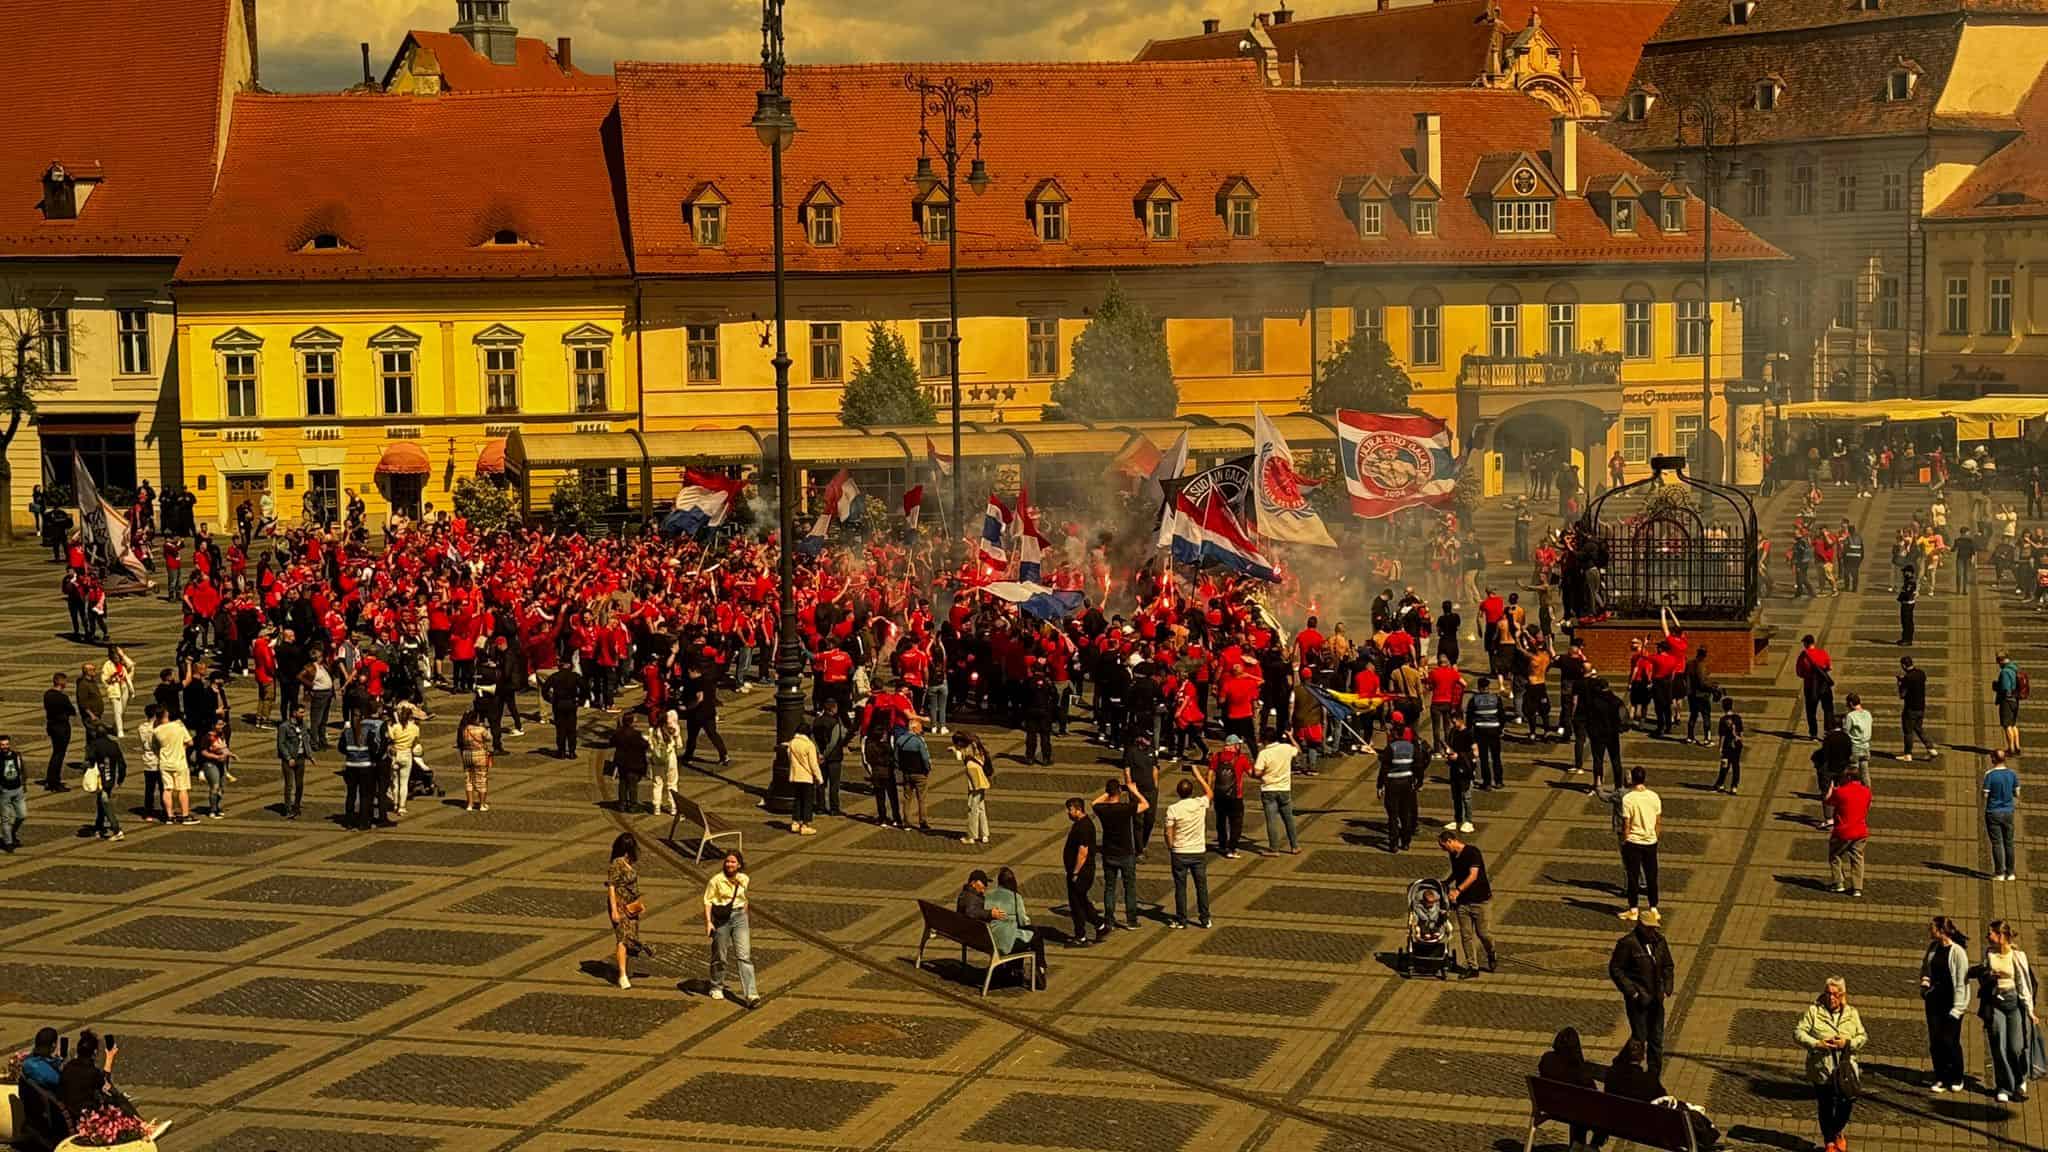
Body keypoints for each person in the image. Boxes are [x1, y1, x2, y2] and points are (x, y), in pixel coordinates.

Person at [1795, 976, 1868, 1151]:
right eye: (1828, 993)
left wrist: (1847, 1043)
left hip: (1845, 1070)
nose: (1831, 997)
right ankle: (1829, 1141)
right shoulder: (1813, 1012)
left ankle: (1837, 1131)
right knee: (1826, 1105)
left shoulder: (1852, 1013)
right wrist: (1817, 1044)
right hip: (1822, 1069)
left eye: (1835, 994)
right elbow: (1798, 1033)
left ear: (1842, 995)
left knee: (1846, 1103)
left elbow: (1863, 1037)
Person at [1975, 918, 2038, 1102]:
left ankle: (2020, 1079)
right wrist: (1988, 975)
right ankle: (2003, 1086)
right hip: (1996, 1004)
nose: (1988, 936)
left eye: (1991, 933)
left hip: (2014, 1005)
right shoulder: (1989, 953)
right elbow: (1984, 975)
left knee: (2015, 1047)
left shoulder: (2018, 956)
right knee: (1998, 1046)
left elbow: (2023, 984)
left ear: (2001, 935)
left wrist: (2030, 1010)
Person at [1610, 908, 1675, 1080]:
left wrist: (1667, 986)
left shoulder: (1660, 942)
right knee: (1640, 1036)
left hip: (1656, 998)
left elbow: (1668, 965)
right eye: (1650, 928)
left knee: (1656, 1039)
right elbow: (1616, 969)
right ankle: (1623, 1065)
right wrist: (1632, 992)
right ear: (1641, 926)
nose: (1653, 931)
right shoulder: (1627, 944)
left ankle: (1653, 1075)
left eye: (1655, 927)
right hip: (1639, 1000)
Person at [704, 851, 759, 1008]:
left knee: (744, 956)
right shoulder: (716, 880)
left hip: (739, 917)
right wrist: (709, 922)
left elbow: (744, 899)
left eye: (733, 862)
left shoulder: (744, 879)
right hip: (722, 919)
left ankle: (751, 994)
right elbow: (707, 901)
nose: (729, 864)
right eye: (728, 861)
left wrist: (745, 918)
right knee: (720, 955)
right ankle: (716, 985)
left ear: (739, 865)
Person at [1921, 916, 1970, 1094]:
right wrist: (1925, 984)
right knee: (1935, 1041)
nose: (1930, 932)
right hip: (1934, 1001)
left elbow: (1961, 982)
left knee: (1950, 1041)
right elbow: (1925, 968)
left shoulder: (1957, 952)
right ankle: (1941, 1076)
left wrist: (1958, 1008)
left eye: (1932, 928)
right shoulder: (1933, 948)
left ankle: (1957, 1076)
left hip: (1952, 1004)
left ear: (1941, 931)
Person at [1536, 1028, 1605, 1151]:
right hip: (1572, 1110)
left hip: (1551, 1106)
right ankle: (1591, 1145)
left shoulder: (1547, 1060)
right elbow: (1594, 1096)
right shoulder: (1580, 1072)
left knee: (1578, 1105)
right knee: (1587, 1107)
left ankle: (1577, 1144)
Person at [1439, 829, 1496, 975]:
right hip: (1463, 903)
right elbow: (1457, 872)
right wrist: (1447, 882)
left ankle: (1491, 952)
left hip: (1480, 901)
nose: (1443, 850)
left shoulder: (1472, 852)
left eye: (1444, 846)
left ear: (1450, 841)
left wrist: (1457, 890)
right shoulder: (1453, 855)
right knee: (1466, 935)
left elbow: (1473, 875)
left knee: (1483, 934)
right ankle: (1473, 967)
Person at [1093, 773, 1146, 930]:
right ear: (1120, 793)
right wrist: (1134, 791)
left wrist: (1108, 793)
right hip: (1126, 853)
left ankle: (1109, 919)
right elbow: (1145, 804)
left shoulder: (1102, 809)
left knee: (1110, 887)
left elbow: (1094, 802)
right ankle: (1131, 920)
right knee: (1129, 886)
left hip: (1109, 853)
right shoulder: (1125, 808)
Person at [1165, 767, 1214, 929]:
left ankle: (1181, 919)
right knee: (1201, 886)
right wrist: (1199, 776)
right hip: (1198, 851)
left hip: (1180, 852)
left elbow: (1168, 831)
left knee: (1180, 887)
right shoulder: (1200, 803)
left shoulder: (1173, 808)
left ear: (1178, 792)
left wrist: (1171, 846)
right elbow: (1209, 793)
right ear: (1191, 791)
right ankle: (1205, 918)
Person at [985, 867, 1048, 990]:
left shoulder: (988, 895)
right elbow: (1023, 921)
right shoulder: (1015, 897)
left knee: (1025, 935)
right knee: (1035, 935)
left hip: (988, 939)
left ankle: (1015, 970)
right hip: (1005, 944)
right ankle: (1040, 967)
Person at [606, 831, 651, 989]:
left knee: (631, 937)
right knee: (622, 939)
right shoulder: (617, 864)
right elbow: (611, 886)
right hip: (619, 906)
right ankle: (622, 975)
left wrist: (638, 902)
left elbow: (632, 886)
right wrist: (614, 911)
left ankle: (625, 968)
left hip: (631, 906)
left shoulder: (628, 862)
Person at [1377, 721, 1429, 852]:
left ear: (1395, 733)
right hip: (1407, 784)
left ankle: (1393, 844)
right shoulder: (1411, 747)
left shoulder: (1391, 748)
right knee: (1405, 814)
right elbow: (1418, 765)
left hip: (1393, 785)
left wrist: (1379, 786)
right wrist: (1419, 782)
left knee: (1393, 816)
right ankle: (1406, 842)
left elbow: (1384, 769)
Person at [1619, 767, 1661, 921]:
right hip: (1650, 841)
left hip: (1634, 842)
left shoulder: (1628, 799)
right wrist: (1655, 836)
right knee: (1651, 876)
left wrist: (1625, 840)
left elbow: (1626, 824)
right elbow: (1658, 821)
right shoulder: (1654, 796)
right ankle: (1654, 908)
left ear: (1633, 780)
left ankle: (1633, 909)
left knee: (1633, 877)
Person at [1062, 796, 1103, 945]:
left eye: (1070, 809)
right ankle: (1100, 925)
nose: (1068, 812)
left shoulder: (1083, 827)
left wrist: (1075, 872)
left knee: (1077, 904)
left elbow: (1083, 851)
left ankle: (1081, 935)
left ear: (1078, 809)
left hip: (1081, 873)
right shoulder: (1081, 824)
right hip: (1081, 872)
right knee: (1081, 901)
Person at [1826, 764, 1871, 898]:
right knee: (1857, 858)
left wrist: (1831, 789)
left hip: (1843, 831)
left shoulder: (1841, 792)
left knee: (1834, 856)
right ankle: (1857, 888)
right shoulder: (1866, 791)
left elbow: (1828, 802)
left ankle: (1838, 883)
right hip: (1861, 830)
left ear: (1849, 777)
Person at [1252, 730, 1300, 854]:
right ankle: (1295, 846)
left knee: (1272, 821)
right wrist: (1290, 736)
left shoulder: (1264, 753)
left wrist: (1261, 775)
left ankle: (1274, 848)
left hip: (1269, 789)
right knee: (1289, 819)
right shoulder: (1286, 748)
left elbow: (1257, 772)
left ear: (1265, 740)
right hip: (1284, 789)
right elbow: (1298, 750)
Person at [1209, 734, 1252, 858]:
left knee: (1220, 820)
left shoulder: (1217, 756)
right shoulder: (1241, 758)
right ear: (1236, 746)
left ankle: (1222, 845)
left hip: (1219, 795)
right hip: (1235, 796)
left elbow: (1211, 772)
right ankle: (1232, 849)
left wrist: (1209, 788)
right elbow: (1251, 773)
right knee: (1236, 822)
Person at [1985, 749, 2020, 882]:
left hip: (1993, 812)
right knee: (2009, 843)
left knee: (1997, 843)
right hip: (2008, 811)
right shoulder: (2012, 774)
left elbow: (1985, 794)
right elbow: (2017, 793)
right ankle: (2010, 873)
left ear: (1993, 759)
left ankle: (1999, 873)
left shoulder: (1990, 775)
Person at [274, 703, 313, 820]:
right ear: (294, 713)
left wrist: (310, 755)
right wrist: (288, 757)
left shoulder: (303, 725)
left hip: (301, 758)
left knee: (300, 784)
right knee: (289, 785)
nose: (303, 715)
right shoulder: (284, 726)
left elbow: (306, 740)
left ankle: (296, 806)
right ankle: (288, 809)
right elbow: (281, 744)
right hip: (289, 759)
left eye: (304, 712)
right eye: (301, 712)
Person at [954, 730, 994, 845]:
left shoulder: (970, 748)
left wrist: (955, 751)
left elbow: (961, 756)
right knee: (981, 807)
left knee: (972, 808)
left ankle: (971, 836)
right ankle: (985, 834)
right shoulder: (977, 746)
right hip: (981, 780)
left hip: (975, 781)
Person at [1898, 655, 1936, 761]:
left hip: (1910, 709)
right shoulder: (1921, 673)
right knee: (1919, 728)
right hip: (1921, 707)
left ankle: (1907, 754)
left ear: (1904, 665)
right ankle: (1931, 748)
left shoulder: (1907, 678)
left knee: (1908, 731)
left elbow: (1902, 695)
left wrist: (1900, 683)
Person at [1797, 635, 1835, 739]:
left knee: (1811, 711)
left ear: (1805, 643)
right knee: (1828, 709)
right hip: (1824, 685)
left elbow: (1799, 673)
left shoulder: (1803, 656)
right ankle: (1828, 730)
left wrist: (1808, 674)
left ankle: (1813, 733)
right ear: (1813, 642)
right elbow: (1830, 667)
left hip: (1810, 687)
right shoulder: (1822, 652)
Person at [785, 724, 820, 835]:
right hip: (806, 777)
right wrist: (819, 777)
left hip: (795, 776)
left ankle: (795, 822)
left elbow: (789, 758)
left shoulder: (792, 743)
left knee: (798, 800)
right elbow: (813, 764)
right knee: (807, 801)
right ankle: (805, 825)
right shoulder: (809, 745)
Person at [43, 672, 74, 792]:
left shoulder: (47, 694)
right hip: (62, 728)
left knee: (56, 753)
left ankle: (51, 780)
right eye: (65, 681)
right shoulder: (62, 697)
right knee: (59, 755)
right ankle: (54, 782)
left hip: (51, 726)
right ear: (61, 682)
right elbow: (71, 710)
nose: (66, 684)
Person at [459, 709, 492, 812]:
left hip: (467, 754)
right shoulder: (481, 730)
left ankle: (469, 804)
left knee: (469, 779)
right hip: (480, 754)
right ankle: (482, 804)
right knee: (481, 778)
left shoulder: (465, 729)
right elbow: (489, 738)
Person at [1995, 652, 2024, 758]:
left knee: (2007, 725)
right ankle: (2017, 747)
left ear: (2001, 660)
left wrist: (1997, 687)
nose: (1998, 664)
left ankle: (2011, 749)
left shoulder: (2005, 672)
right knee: (2013, 724)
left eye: (1998, 661)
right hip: (2015, 700)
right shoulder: (2014, 668)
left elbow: (2006, 688)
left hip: (2007, 701)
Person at [1713, 698, 1745, 795]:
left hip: (1727, 745)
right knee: (1736, 766)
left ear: (1723, 707)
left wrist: (1720, 747)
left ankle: (1721, 784)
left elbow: (1722, 735)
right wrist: (1740, 740)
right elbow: (1742, 732)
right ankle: (1734, 786)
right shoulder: (1738, 718)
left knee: (1724, 765)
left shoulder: (1723, 720)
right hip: (1737, 744)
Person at [0, 734, 25, 852]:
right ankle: (8, 842)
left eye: (6, 744)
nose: (5, 747)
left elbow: (22, 770)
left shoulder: (16, 755)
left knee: (22, 815)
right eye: (2, 745)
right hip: (4, 792)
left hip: (18, 790)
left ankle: (12, 833)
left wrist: (23, 784)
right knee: (6, 819)